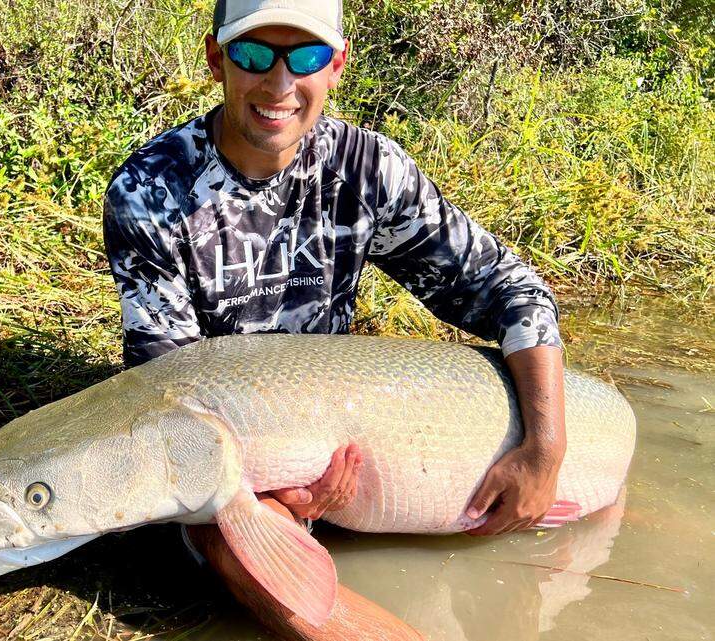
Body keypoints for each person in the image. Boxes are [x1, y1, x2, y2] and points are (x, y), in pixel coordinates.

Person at [102, 0, 567, 637]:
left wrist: (545, 449)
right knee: (225, 537)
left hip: (336, 430)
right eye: (255, 54)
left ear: (337, 65)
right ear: (217, 58)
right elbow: (166, 399)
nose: (280, 83)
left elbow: (513, 292)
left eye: (308, 56)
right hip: (232, 445)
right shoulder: (151, 190)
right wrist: (265, 504)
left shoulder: (367, 168)